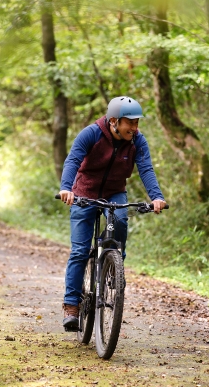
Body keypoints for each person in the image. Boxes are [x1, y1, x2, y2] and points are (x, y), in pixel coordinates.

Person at [58, 96, 167, 330]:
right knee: (79, 250)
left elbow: (146, 168)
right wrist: (66, 188)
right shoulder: (91, 134)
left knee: (120, 219)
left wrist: (156, 196)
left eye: (137, 123)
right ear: (115, 121)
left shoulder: (138, 141)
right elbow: (73, 160)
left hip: (115, 193)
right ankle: (71, 306)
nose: (135, 128)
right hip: (84, 192)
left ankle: (114, 265)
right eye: (131, 123)